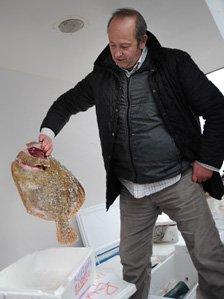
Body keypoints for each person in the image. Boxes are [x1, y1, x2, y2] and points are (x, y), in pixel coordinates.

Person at [39, 8, 224, 299]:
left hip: (179, 181)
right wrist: (47, 134)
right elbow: (67, 102)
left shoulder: (175, 63)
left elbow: (217, 109)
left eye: (124, 46)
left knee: (210, 259)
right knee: (132, 266)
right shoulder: (101, 77)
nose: (117, 53)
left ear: (143, 41)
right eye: (112, 45)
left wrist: (208, 161)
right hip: (132, 191)